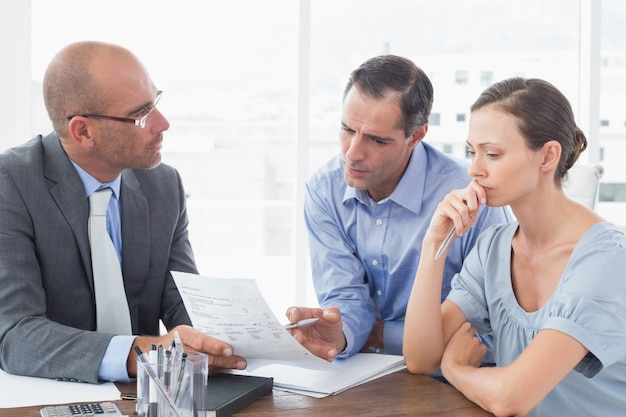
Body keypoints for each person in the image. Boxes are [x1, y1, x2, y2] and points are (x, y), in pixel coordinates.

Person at [0, 41, 246, 384]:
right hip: (52, 393)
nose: (163, 123)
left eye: (156, 101)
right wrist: (146, 353)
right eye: (142, 114)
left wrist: (242, 340)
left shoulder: (162, 185)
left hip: (145, 395)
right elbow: (16, 335)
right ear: (83, 131)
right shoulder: (12, 182)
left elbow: (183, 301)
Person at [403, 77, 626, 416]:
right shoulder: (494, 248)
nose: (474, 170)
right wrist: (434, 242)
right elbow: (421, 357)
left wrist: (455, 370)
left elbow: (510, 397)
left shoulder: (608, 259)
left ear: (548, 156)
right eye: (471, 152)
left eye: (492, 154)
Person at [285, 55, 511, 361]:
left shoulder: (471, 196)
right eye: (347, 130)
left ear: (416, 136)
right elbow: (343, 297)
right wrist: (337, 335)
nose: (352, 154)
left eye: (376, 140)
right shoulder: (324, 189)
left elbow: (494, 329)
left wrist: (379, 335)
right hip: (361, 374)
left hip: (452, 379)